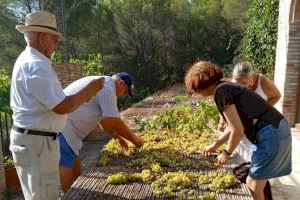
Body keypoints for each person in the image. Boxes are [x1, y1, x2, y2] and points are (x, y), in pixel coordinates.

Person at [10, 11, 104, 200]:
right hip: (37, 144)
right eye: (55, 41)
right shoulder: (36, 65)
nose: (55, 47)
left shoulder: (32, 61)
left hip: (37, 142)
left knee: (44, 193)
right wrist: (90, 89)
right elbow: (61, 106)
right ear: (43, 38)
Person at [185, 61, 292, 200]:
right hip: (277, 130)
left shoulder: (220, 92)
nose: (196, 93)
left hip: (271, 133)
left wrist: (226, 152)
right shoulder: (226, 87)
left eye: (196, 89)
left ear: (202, 84)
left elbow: (237, 130)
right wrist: (215, 145)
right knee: (257, 182)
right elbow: (233, 125)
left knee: (253, 183)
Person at [59, 73, 144, 192]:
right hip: (64, 126)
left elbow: (104, 122)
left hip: (70, 129)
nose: (123, 96)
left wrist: (116, 137)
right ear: (121, 83)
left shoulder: (104, 85)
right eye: (125, 92)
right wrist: (135, 140)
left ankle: (75, 193)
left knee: (75, 161)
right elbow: (113, 120)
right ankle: (67, 195)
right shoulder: (107, 87)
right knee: (66, 163)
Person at [220, 62, 281, 161]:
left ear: (251, 78)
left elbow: (276, 96)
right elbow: (226, 104)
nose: (240, 87)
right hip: (244, 131)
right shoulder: (230, 85)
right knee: (245, 161)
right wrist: (222, 119)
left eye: (243, 83)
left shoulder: (262, 81)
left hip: (261, 128)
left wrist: (261, 110)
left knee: (260, 162)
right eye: (237, 82)